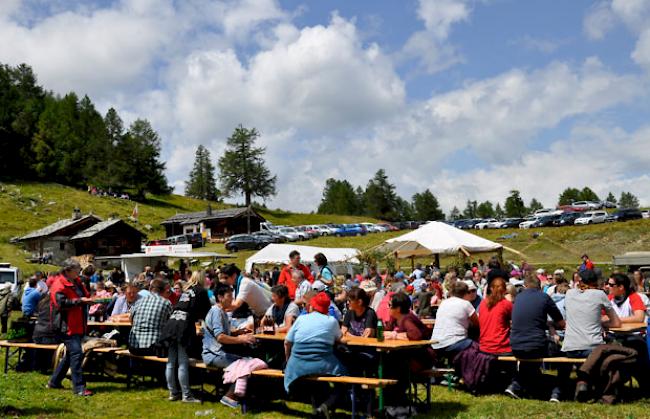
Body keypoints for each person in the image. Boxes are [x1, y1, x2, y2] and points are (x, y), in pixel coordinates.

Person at [562, 269, 621, 401]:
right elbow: (616, 322)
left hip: (569, 348)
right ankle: (594, 386)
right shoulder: (599, 294)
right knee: (608, 352)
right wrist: (601, 322)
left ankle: (582, 382)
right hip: (591, 348)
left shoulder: (569, 293)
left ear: (579, 281)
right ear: (596, 281)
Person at [284, 292, 346, 417]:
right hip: (323, 364)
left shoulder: (301, 319)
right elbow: (340, 338)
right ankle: (325, 406)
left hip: (297, 366)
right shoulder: (332, 321)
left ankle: (319, 409)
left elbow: (287, 342)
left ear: (312, 306)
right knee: (346, 380)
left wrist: (288, 361)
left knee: (315, 380)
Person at [506, 274, 565, 401]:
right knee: (563, 356)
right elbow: (561, 323)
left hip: (515, 345)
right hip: (536, 346)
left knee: (528, 359)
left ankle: (516, 385)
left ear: (525, 286)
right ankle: (556, 391)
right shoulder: (544, 297)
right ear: (539, 286)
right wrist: (549, 324)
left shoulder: (518, 298)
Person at [202, 285, 258, 409]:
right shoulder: (216, 312)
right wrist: (240, 339)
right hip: (214, 355)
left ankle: (232, 395)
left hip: (218, 353)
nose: (232, 300)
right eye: (229, 297)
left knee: (246, 361)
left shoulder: (221, 311)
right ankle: (230, 396)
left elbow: (224, 333)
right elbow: (220, 337)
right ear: (220, 297)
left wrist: (238, 332)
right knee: (246, 364)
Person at [161, 270, 211, 403]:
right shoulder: (201, 291)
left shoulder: (186, 291)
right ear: (202, 279)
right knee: (183, 361)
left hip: (172, 323)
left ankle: (173, 393)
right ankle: (186, 395)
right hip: (183, 326)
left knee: (171, 362)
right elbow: (208, 313)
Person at [47, 259, 94, 396]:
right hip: (65, 325)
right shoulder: (58, 284)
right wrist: (80, 301)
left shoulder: (78, 282)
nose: (79, 271)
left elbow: (85, 295)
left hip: (77, 324)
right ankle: (79, 388)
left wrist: (90, 300)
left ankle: (54, 382)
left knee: (71, 355)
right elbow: (60, 303)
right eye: (77, 269)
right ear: (68, 270)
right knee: (76, 353)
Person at [431, 281, 478, 358]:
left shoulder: (444, 303)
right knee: (480, 349)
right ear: (466, 293)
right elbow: (478, 324)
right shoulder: (465, 304)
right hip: (454, 343)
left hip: (436, 344)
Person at [128, 279, 172, 356]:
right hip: (153, 348)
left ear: (150, 289)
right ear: (163, 290)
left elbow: (131, 321)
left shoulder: (138, 302)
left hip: (133, 347)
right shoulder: (166, 302)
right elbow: (172, 324)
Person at [478, 269, 513, 355]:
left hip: (484, 347)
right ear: (505, 290)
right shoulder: (506, 304)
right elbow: (517, 321)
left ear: (490, 289)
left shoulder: (483, 303)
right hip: (502, 348)